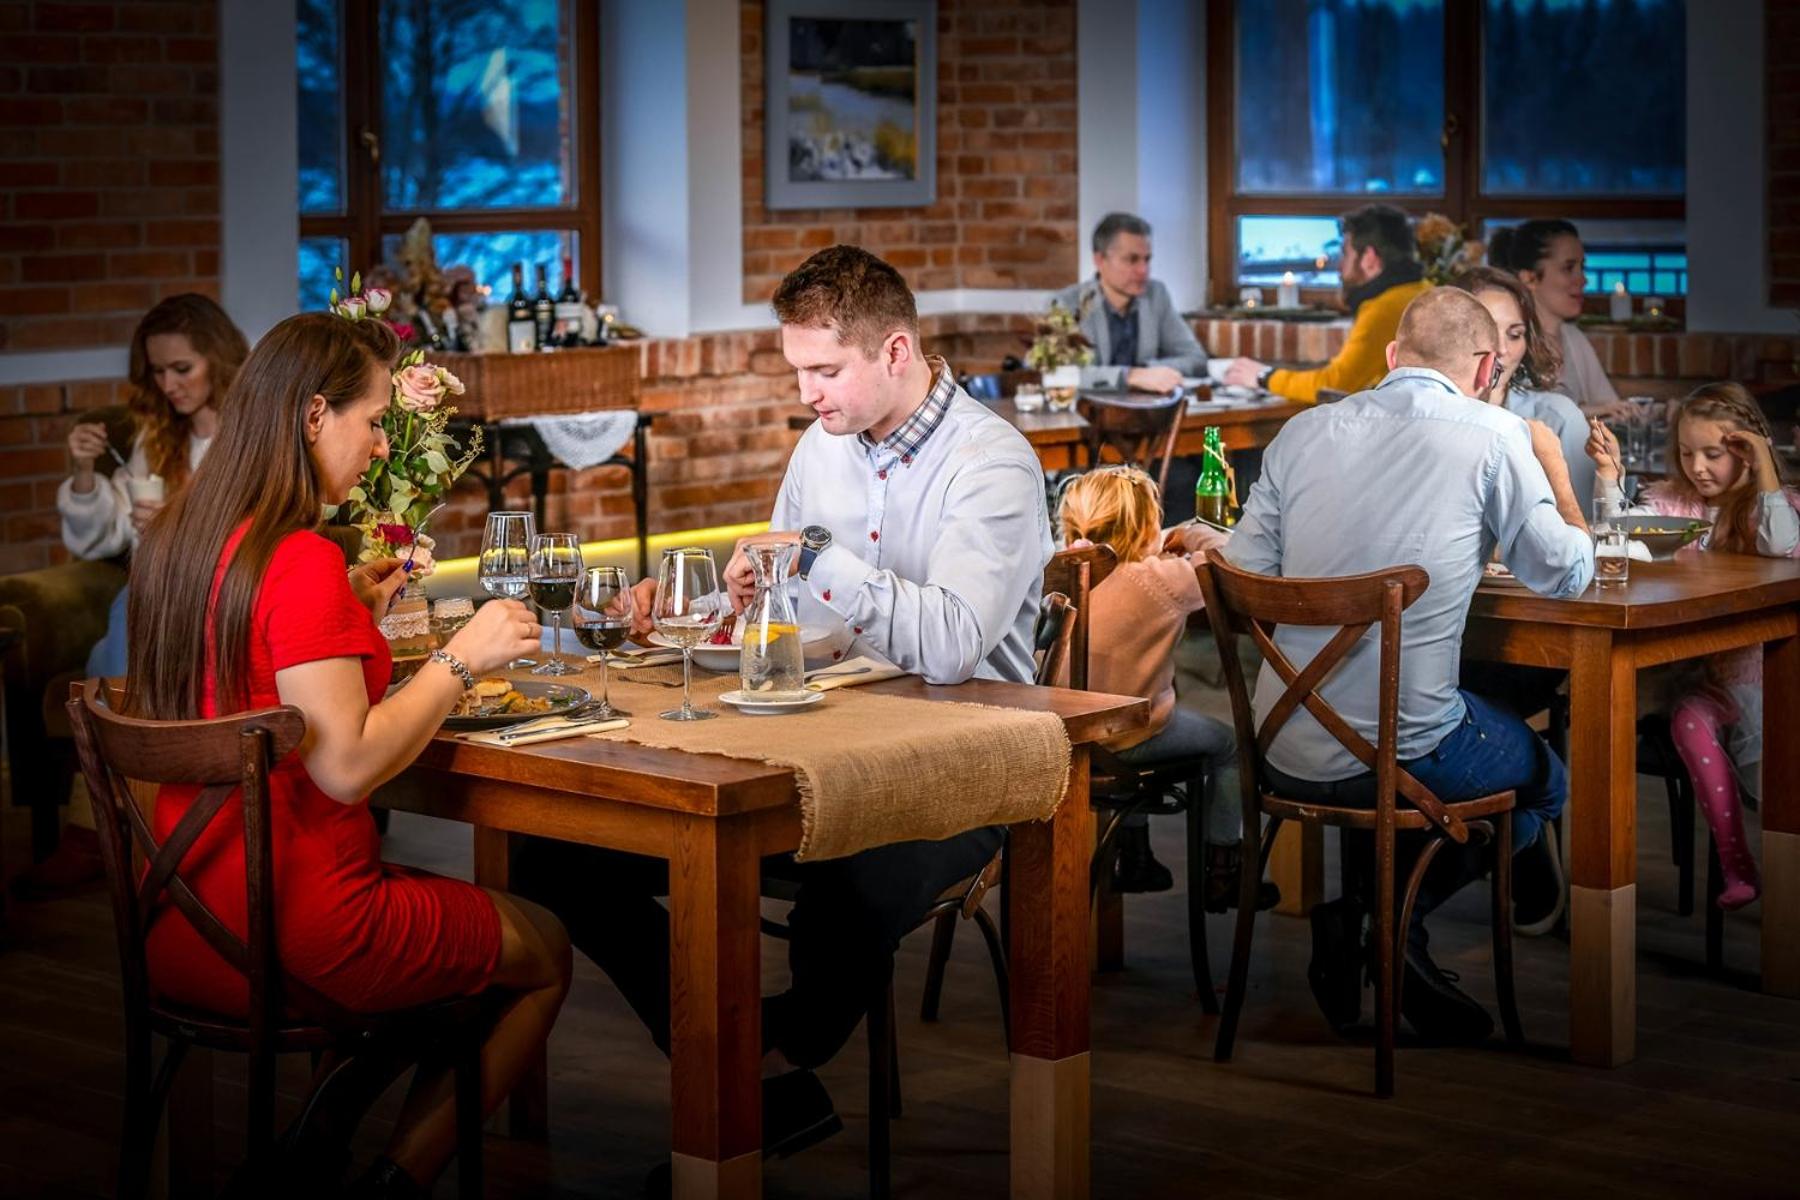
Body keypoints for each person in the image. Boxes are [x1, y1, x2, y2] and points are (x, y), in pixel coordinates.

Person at [515, 245, 1054, 1181]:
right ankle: (743, 1070)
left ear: (895, 350)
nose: (807, 393)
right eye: (798, 369)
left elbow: (954, 644)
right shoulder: (822, 445)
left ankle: (763, 1066)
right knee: (551, 852)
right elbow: (785, 613)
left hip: (963, 765)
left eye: (825, 370)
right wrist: (710, 604)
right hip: (819, 740)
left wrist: (808, 557)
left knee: (850, 889)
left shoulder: (991, 461)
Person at [126, 312, 570, 1198]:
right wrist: (460, 659)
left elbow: (250, 673)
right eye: (372, 421)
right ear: (314, 414)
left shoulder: (183, 538)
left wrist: (349, 615)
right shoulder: (296, 559)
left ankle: (313, 1152)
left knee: (446, 970)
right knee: (545, 948)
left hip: (179, 924)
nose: (380, 447)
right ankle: (391, 1185)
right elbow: (348, 767)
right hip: (299, 932)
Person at [1223, 287, 1594, 1044]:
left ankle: (1373, 923)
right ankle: (1387, 925)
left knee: (1418, 723)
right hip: (1403, 753)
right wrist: (1557, 473)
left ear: (1393, 357)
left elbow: (1246, 573)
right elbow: (1565, 574)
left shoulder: (1302, 431)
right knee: (1544, 778)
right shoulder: (1495, 434)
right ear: (1488, 367)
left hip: (1281, 747)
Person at [18, 296, 251, 903]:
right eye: (159, 371)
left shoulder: (252, 431)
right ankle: (113, 821)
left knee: (127, 618)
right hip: (156, 588)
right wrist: (85, 473)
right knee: (130, 609)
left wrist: (185, 522)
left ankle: (92, 826)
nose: (169, 385)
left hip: (225, 587)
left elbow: (272, 523)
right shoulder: (156, 437)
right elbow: (103, 537)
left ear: (218, 359)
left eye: (183, 369)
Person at [1586, 382, 1800, 909]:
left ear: (1747, 451)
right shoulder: (1672, 503)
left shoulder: (1774, 508)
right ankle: (1736, 865)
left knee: (1774, 786)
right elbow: (1616, 537)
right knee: (1688, 721)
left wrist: (1766, 469)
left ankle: (1787, 887)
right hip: (1697, 676)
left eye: (1713, 454)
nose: (1698, 467)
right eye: (1686, 453)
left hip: (1767, 675)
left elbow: (1784, 546)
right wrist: (1610, 477)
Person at [1055, 467, 1277, 909]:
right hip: (1125, 739)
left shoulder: (1059, 571)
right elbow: (1235, 558)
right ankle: (1224, 869)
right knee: (1231, 745)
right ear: (1145, 528)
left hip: (1064, 736)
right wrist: (1191, 533)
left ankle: (1134, 856)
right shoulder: (1160, 579)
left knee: (1121, 705)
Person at [1222, 204, 1433, 403]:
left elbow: (1335, 385)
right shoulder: (1426, 292)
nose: (1340, 267)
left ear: (1369, 258)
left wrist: (1263, 376)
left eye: (1345, 254)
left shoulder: (1383, 309)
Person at [1452, 266, 1598, 517]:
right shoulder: (1427, 414)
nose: (1502, 349)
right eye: (1486, 332)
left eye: (1515, 334)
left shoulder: (1559, 419)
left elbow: (1584, 524)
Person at [1488, 218, 1633, 419]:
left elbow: (1612, 407)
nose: (1583, 280)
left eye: (1582, 267)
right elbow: (1507, 415)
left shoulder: (1573, 338)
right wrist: (1587, 412)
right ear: (1529, 278)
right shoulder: (1510, 344)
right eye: (1568, 268)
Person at [1053, 212, 1209, 394]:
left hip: (1148, 406)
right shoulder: (1067, 304)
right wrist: (1129, 376)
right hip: (1091, 408)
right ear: (1100, 260)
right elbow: (1060, 373)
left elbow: (1195, 358)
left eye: (1147, 259)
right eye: (1132, 260)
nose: (1143, 270)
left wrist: (1148, 370)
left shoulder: (1156, 295)